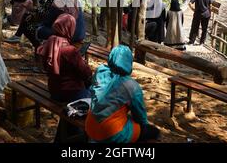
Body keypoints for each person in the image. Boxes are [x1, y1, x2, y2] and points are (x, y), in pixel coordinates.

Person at [85, 45, 160, 143]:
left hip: (90, 126)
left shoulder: (100, 71)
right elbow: (140, 116)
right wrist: (144, 128)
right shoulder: (131, 86)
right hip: (110, 134)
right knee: (152, 132)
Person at [37, 13, 92, 142]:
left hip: (54, 91)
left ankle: (61, 138)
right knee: (95, 99)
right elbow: (86, 73)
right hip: (72, 93)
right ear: (69, 28)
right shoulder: (69, 50)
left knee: (69, 112)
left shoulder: (48, 43)